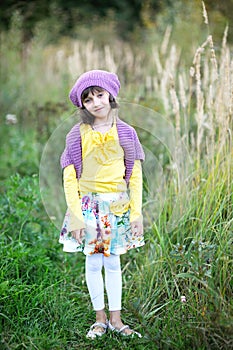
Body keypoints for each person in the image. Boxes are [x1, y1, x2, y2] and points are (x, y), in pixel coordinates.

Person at [59, 70, 145, 339]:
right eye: (88, 99)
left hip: (117, 206)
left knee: (113, 262)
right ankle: (99, 319)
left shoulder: (126, 133)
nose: (95, 102)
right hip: (90, 207)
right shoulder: (77, 135)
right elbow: (70, 179)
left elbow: (135, 176)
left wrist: (136, 213)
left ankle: (117, 320)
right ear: (82, 105)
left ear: (110, 95)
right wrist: (75, 217)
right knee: (94, 262)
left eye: (99, 95)